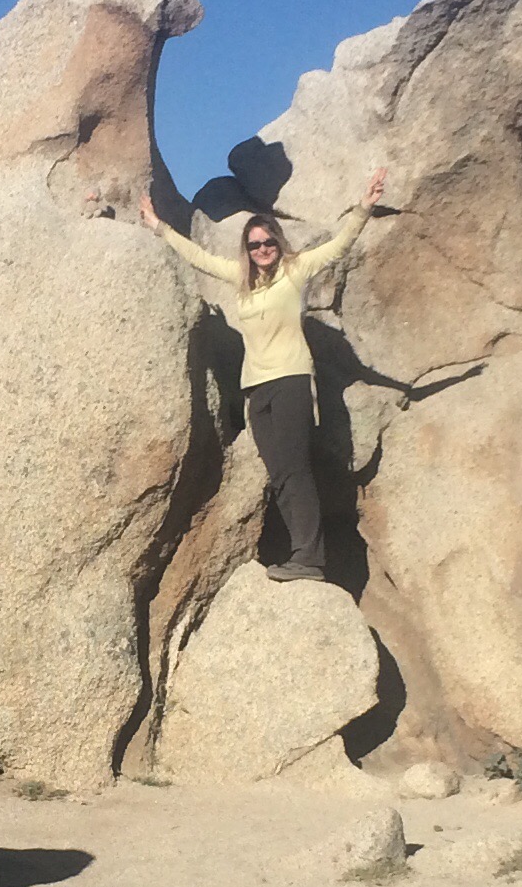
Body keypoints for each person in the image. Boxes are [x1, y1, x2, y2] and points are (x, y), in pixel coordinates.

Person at [136, 168, 388, 580]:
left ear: (278, 242)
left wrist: (364, 206)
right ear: (247, 250)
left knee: (295, 468)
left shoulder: (295, 270)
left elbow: (339, 246)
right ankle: (300, 553)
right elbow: (199, 258)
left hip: (291, 381)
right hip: (256, 389)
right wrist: (159, 226)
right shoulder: (242, 279)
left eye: (269, 242)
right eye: (255, 244)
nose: (263, 249)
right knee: (280, 474)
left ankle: (310, 557)